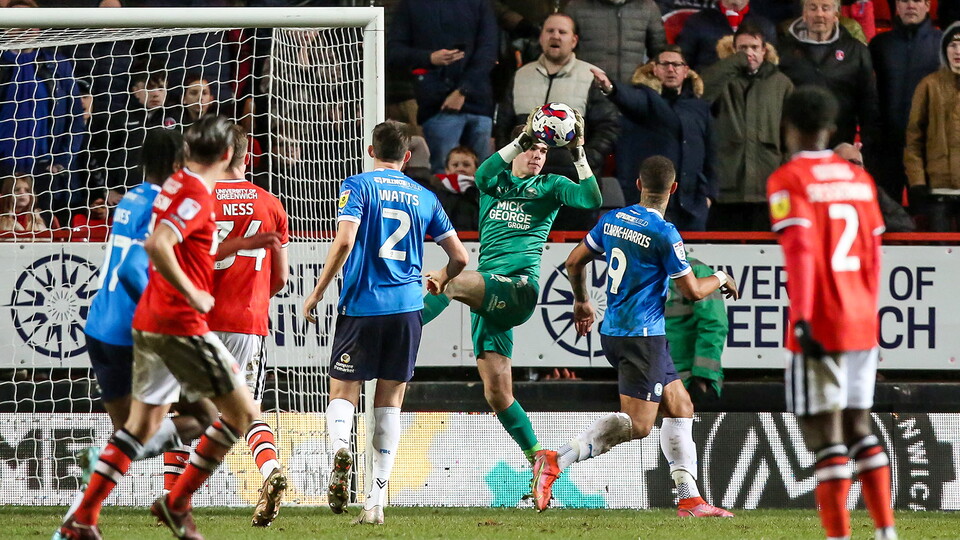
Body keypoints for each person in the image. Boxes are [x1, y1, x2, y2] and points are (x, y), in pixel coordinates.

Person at [56, 115, 263, 540]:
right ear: (227, 155)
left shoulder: (151, 193)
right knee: (240, 415)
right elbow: (153, 249)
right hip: (175, 323)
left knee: (139, 429)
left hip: (133, 323)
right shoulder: (193, 194)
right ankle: (175, 501)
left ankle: (84, 516)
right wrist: (191, 293)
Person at [529, 155, 738, 516]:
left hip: (616, 331)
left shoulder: (613, 219)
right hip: (643, 338)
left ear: (638, 185)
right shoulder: (664, 233)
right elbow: (691, 291)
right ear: (673, 189)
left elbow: (573, 261)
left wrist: (581, 302)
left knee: (680, 406)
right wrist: (720, 277)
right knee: (640, 425)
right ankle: (555, 459)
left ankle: (690, 498)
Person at [302, 121, 468, 525]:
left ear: (371, 150)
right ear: (407, 157)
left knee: (343, 390)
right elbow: (460, 258)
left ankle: (341, 449)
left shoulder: (357, 186)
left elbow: (344, 241)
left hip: (363, 305)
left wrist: (319, 290)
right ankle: (375, 503)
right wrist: (441, 279)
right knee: (390, 401)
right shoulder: (426, 197)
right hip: (408, 308)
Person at [420, 113, 602, 466]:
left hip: (518, 289)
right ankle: (538, 458)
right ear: (515, 149)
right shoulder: (494, 182)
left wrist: (578, 151)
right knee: (497, 393)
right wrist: (524, 136)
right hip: (489, 295)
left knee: (452, 280)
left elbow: (590, 198)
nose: (537, 155)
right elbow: (485, 173)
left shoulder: (550, 185)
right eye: (531, 148)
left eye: (543, 151)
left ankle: (401, 325)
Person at [768, 86, 895, 540]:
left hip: (819, 320)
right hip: (862, 319)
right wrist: (865, 309)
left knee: (825, 437)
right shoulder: (860, 180)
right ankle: (885, 532)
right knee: (860, 426)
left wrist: (802, 318)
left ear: (788, 126)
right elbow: (874, 252)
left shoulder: (787, 179)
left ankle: (839, 537)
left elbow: (801, 250)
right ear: (830, 128)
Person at [169, 124, 289, 527]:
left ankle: (175, 495)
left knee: (181, 407)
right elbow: (281, 279)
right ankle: (271, 471)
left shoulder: (194, 200)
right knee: (244, 412)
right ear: (245, 157)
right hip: (247, 324)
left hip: (199, 321)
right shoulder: (271, 204)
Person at [593, 46, 716, 231]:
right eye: (665, 64)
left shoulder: (700, 108)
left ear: (686, 71)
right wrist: (610, 88)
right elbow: (630, 99)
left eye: (677, 64)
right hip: (649, 205)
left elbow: (712, 156)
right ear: (654, 69)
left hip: (691, 207)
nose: (671, 69)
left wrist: (709, 196)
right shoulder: (645, 98)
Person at [495, 13, 619, 189]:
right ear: (541, 37)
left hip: (572, 182)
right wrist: (508, 159)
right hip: (524, 181)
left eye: (562, 32)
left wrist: (589, 158)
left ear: (574, 41)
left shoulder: (591, 76)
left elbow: (608, 126)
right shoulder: (521, 75)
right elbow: (502, 125)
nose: (555, 36)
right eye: (550, 31)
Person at [387, 0, 498, 174]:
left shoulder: (479, 4)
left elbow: (488, 52)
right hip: (438, 106)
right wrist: (429, 58)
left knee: (482, 181)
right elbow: (393, 52)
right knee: (442, 180)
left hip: (477, 105)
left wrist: (462, 91)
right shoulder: (411, 5)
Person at [701, 22, 793, 231]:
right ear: (733, 51)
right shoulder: (722, 79)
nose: (749, 53)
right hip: (727, 188)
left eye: (754, 47)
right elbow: (701, 93)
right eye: (742, 48)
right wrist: (733, 63)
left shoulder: (782, 83)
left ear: (764, 51)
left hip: (767, 187)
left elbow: (792, 135)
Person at [777, 0, 880, 173]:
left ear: (836, 14)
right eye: (813, 7)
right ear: (804, 13)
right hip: (796, 150)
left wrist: (867, 149)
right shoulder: (783, 51)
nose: (819, 14)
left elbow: (868, 104)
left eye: (825, 8)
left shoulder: (856, 51)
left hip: (841, 146)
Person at [868, 0, 941, 202]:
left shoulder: (942, 44)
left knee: (927, 218)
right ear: (896, 6)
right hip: (886, 148)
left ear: (927, 6)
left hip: (928, 148)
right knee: (888, 217)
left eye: (917, 0)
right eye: (904, 1)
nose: (911, 5)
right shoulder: (879, 44)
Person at [904, 23, 960, 232]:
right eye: (953, 45)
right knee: (938, 255)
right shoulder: (928, 85)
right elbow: (913, 139)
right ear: (944, 49)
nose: (958, 51)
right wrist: (917, 181)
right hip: (937, 191)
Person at [664, 253, 728, 406]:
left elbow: (714, 324)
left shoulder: (698, 271)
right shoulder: (644, 272)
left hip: (688, 381)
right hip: (653, 380)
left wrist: (703, 377)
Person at [564, 0, 667, 84]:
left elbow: (659, 54)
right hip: (586, 91)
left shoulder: (647, 7)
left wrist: (644, 81)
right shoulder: (576, 7)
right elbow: (563, 53)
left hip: (633, 94)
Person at [677, 0, 777, 71]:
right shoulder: (697, 21)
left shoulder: (765, 26)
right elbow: (683, 62)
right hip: (710, 92)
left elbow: (770, 68)